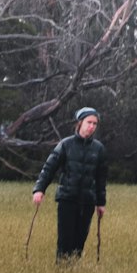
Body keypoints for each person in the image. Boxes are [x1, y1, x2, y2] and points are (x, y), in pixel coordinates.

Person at [32, 107, 107, 261]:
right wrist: (39, 190)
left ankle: (73, 272)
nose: (92, 126)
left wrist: (101, 203)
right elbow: (49, 169)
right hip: (67, 199)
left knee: (80, 241)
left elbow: (101, 179)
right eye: (89, 122)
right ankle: (61, 272)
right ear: (80, 123)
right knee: (65, 240)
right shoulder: (65, 145)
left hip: (87, 201)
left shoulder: (99, 149)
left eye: (95, 123)